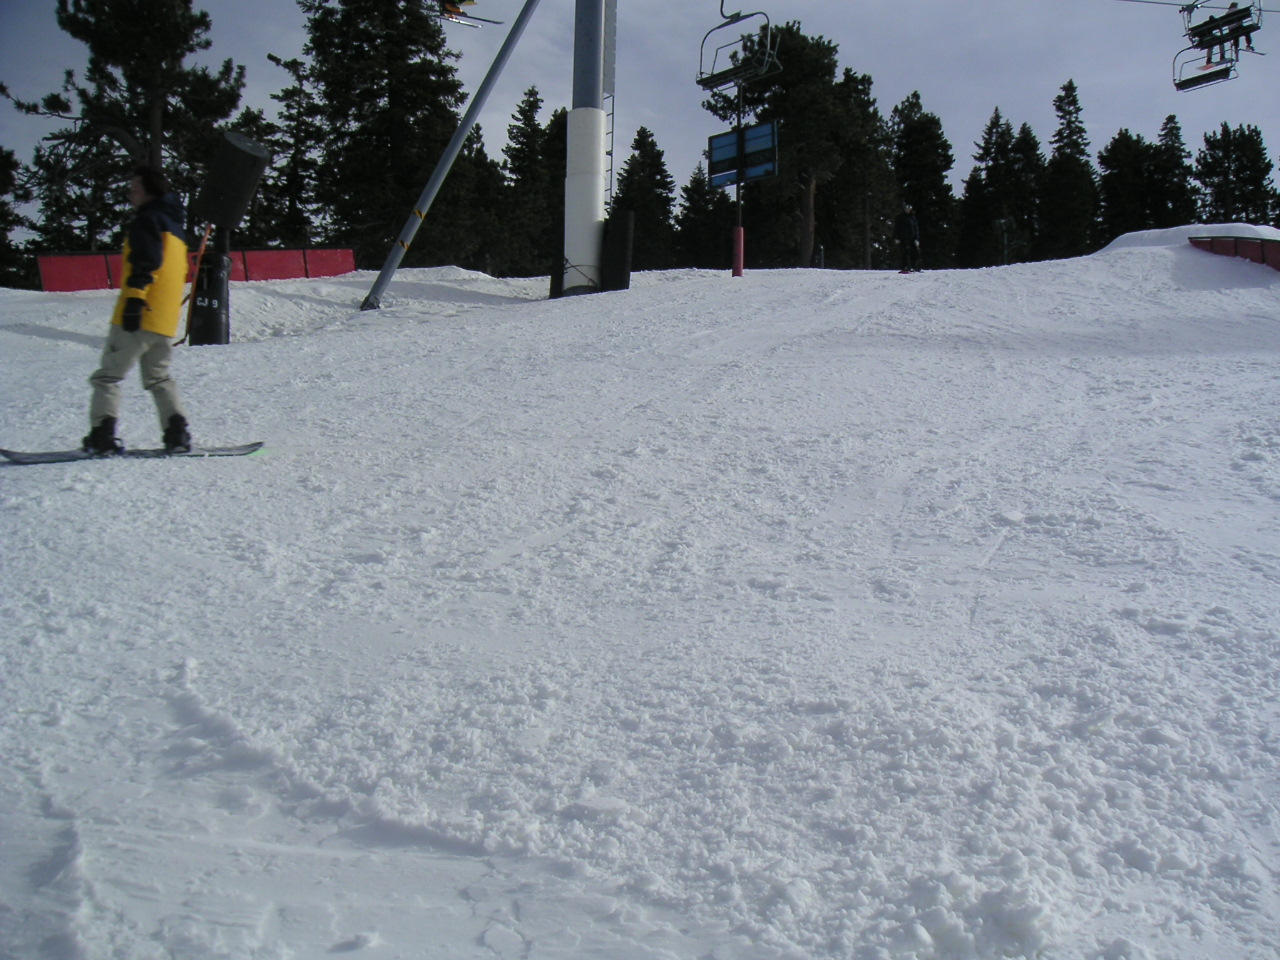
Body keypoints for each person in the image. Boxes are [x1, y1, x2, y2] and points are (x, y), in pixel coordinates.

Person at [83, 164, 192, 454]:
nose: (131, 194)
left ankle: (102, 436)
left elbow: (146, 261)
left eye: (135, 189)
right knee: (159, 378)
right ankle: (177, 433)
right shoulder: (176, 228)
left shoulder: (148, 221)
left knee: (108, 377)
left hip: (139, 314)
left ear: (150, 192)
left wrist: (134, 298)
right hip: (164, 320)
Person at [894, 203, 921, 273]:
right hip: (903, 238)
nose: (908, 210)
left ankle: (914, 267)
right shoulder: (900, 217)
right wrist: (896, 237)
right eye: (906, 208)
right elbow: (896, 228)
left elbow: (916, 229)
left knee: (915, 252)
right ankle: (904, 267)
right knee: (904, 253)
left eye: (909, 208)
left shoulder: (913, 217)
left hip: (912, 238)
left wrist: (917, 239)